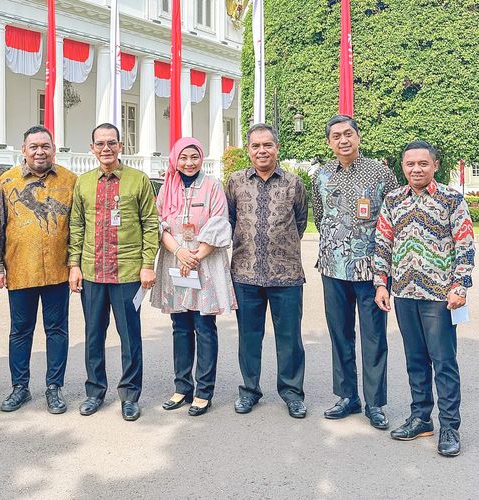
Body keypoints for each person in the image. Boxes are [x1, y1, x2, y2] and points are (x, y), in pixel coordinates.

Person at [374, 140, 474, 457]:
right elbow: (382, 243)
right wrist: (381, 284)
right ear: (403, 167)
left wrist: (460, 286)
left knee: (443, 362)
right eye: (410, 164)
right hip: (404, 293)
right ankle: (420, 418)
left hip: (440, 296)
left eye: (422, 164)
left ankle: (449, 427)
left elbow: (465, 245)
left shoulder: (450, 199)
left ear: (433, 165)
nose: (416, 169)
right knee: (415, 361)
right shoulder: (392, 200)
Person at [312, 115, 399, 429]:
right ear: (329, 142)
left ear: (358, 137)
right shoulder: (321, 175)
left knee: (374, 337)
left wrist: (386, 273)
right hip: (333, 269)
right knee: (340, 335)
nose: (343, 140)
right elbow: (320, 217)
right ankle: (347, 396)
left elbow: (394, 219)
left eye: (348, 134)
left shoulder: (380, 173)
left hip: (371, 272)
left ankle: (375, 403)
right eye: (336, 136)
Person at [69, 123, 159, 421]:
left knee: (129, 336)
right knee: (93, 336)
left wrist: (147, 265)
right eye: (100, 143)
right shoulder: (83, 183)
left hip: (128, 272)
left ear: (121, 145)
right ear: (92, 148)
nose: (106, 148)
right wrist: (74, 265)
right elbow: (77, 226)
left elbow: (150, 224)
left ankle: (130, 395)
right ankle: (95, 392)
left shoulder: (138, 180)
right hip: (93, 272)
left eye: (111, 143)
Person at [0, 125, 77, 413]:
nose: (40, 151)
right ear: (23, 149)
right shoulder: (7, 181)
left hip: (57, 271)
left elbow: (77, 228)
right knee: (20, 331)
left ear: (53, 148)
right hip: (20, 270)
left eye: (45, 146)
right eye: (34, 146)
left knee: (57, 330)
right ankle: (20, 387)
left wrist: (75, 265)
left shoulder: (69, 180)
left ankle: (54, 387)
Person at [225, 123, 308, 419]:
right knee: (249, 336)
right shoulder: (235, 182)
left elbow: (300, 221)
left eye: (267, 145)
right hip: (245, 274)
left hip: (286, 275)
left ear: (277, 148)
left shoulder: (293, 183)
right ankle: (249, 391)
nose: (262, 150)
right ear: (248, 150)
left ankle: (292, 392)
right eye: (256, 146)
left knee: (289, 338)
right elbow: (230, 220)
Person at [151, 137, 236, 416]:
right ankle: (181, 387)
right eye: (183, 157)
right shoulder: (167, 188)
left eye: (194, 157)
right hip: (176, 263)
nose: (189, 163)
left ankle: (203, 391)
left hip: (204, 263)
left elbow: (219, 224)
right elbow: (160, 224)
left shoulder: (212, 187)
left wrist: (195, 256)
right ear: (175, 158)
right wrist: (179, 252)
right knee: (180, 326)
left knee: (204, 326)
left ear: (201, 158)